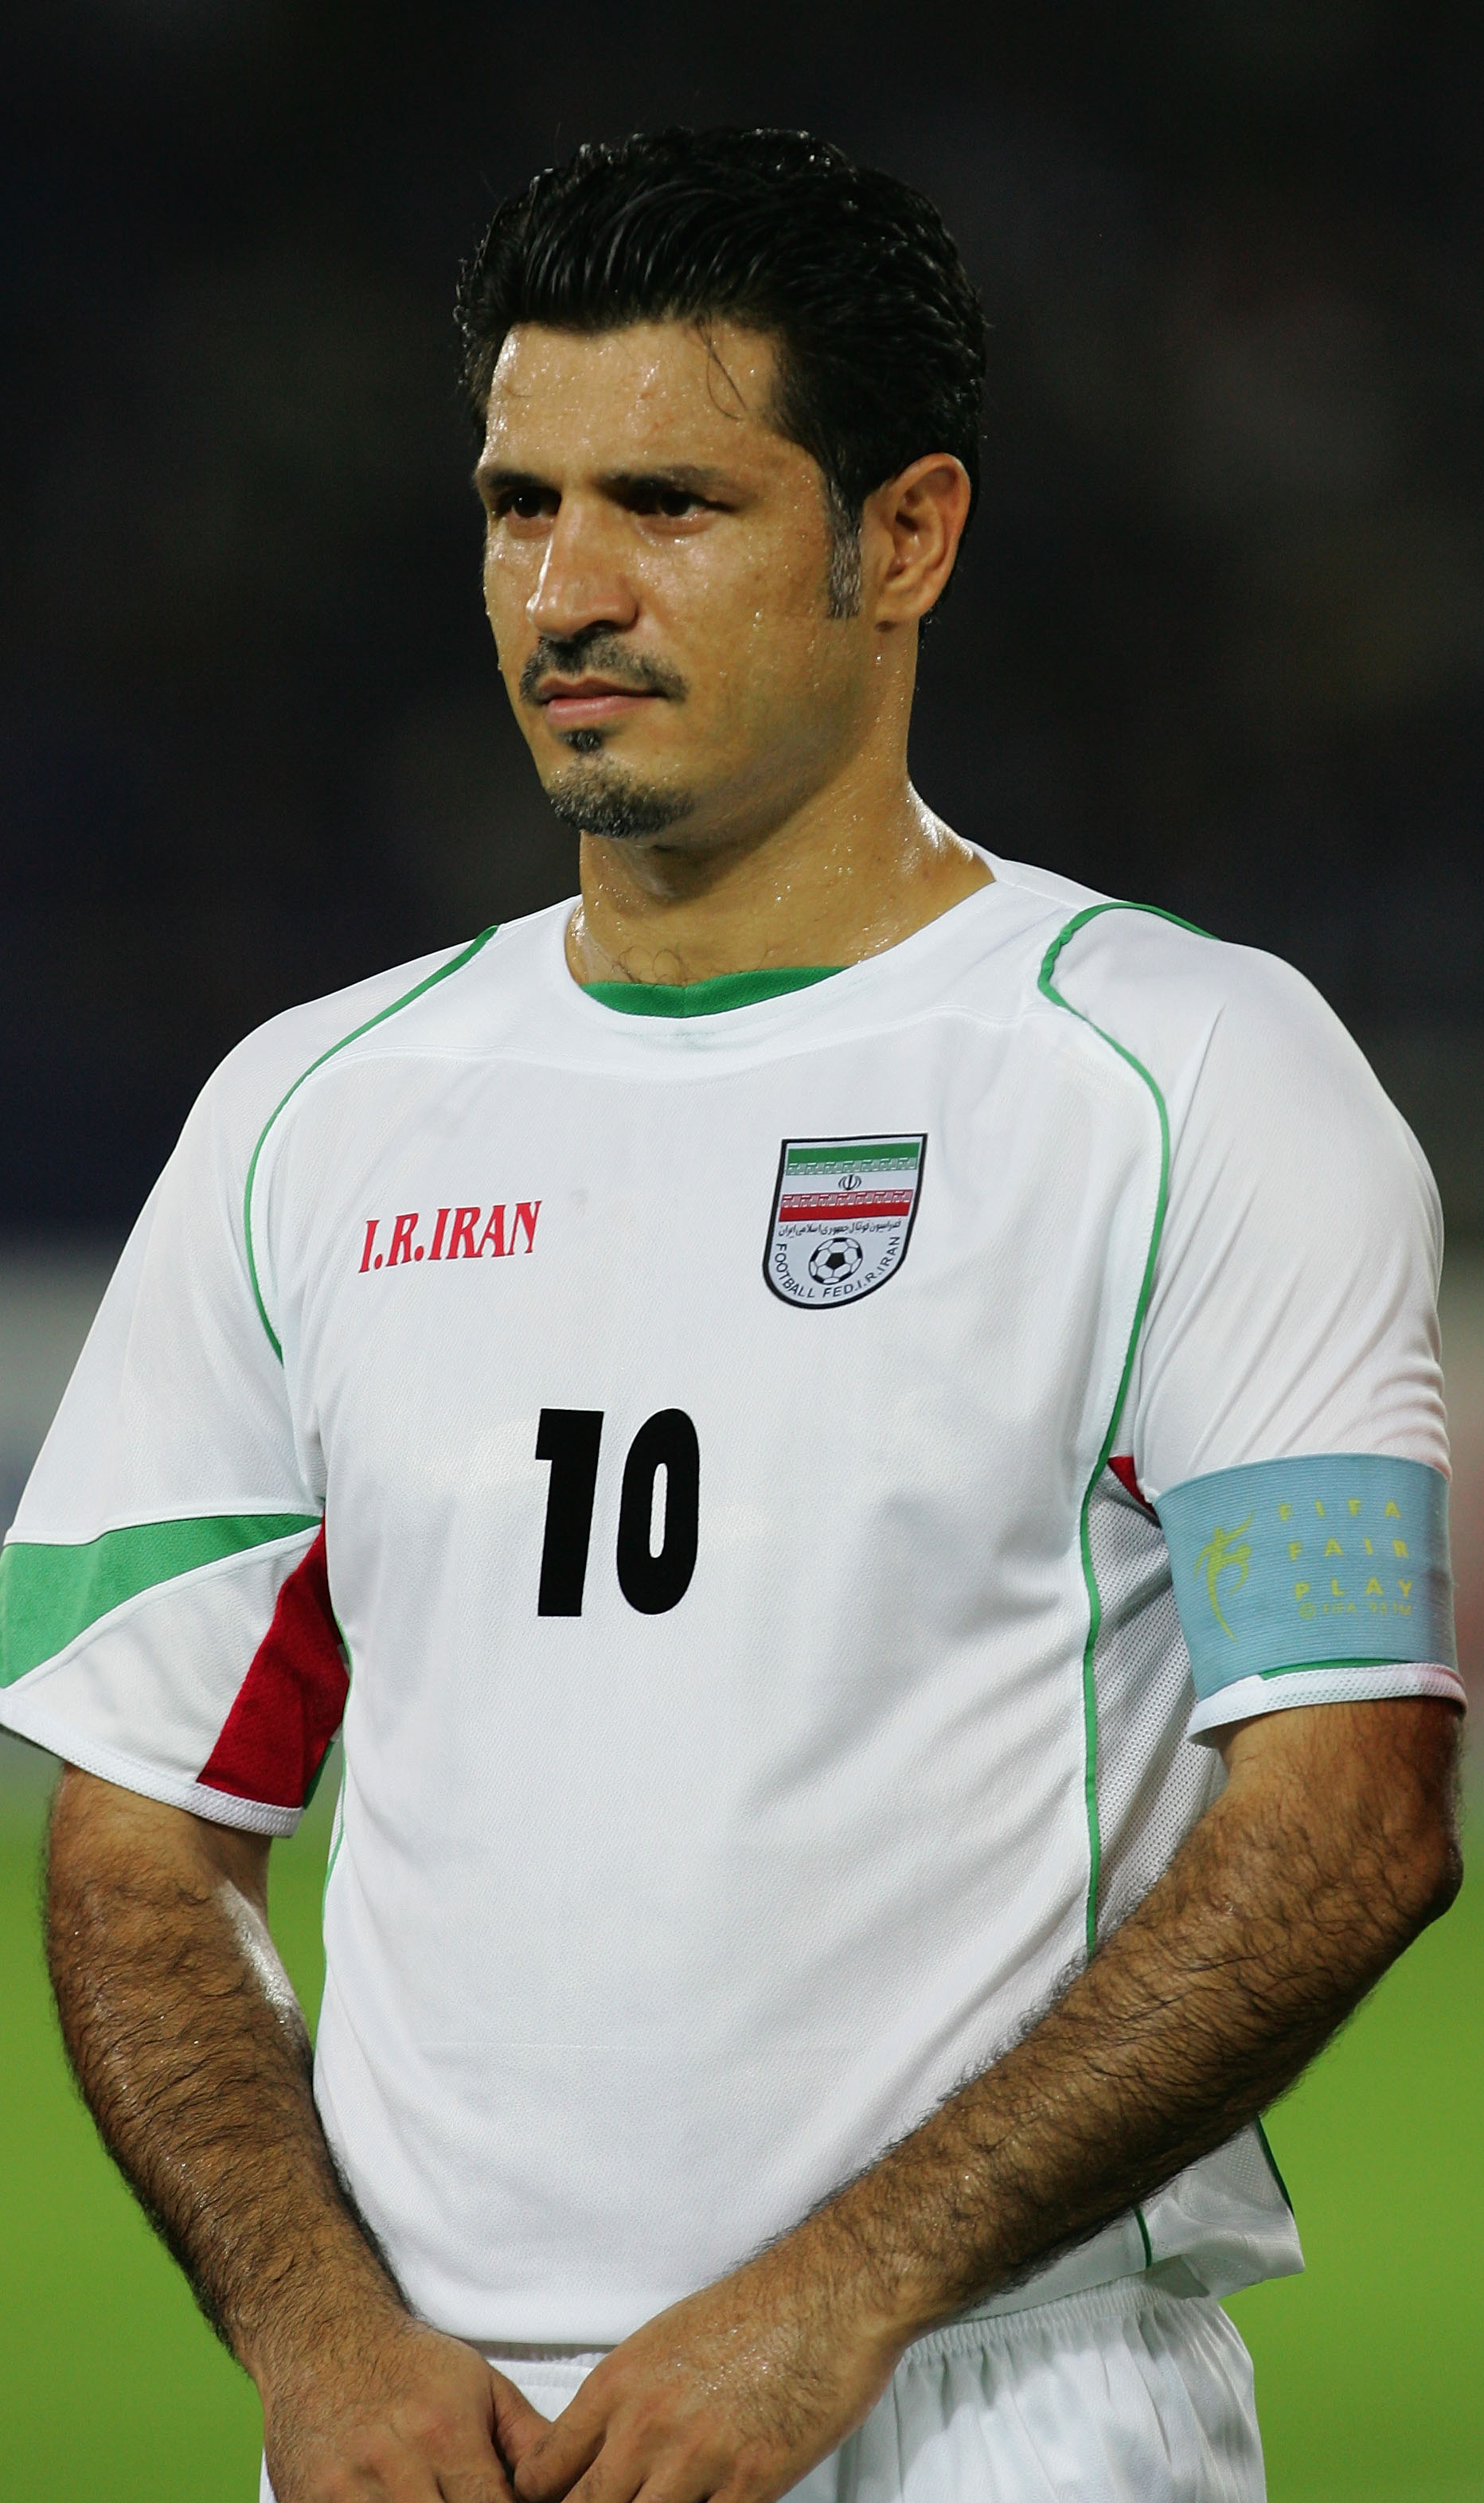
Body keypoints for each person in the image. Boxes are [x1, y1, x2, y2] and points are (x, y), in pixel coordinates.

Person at [0, 127, 1464, 2503]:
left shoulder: (1188, 1073)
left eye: (670, 503)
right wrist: (314, 2333)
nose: (565, 589)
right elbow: (143, 1839)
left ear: (908, 538)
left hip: (998, 2412)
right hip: (417, 2440)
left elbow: (1353, 1814)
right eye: (515, 505)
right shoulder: (311, 1113)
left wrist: (841, 2303)